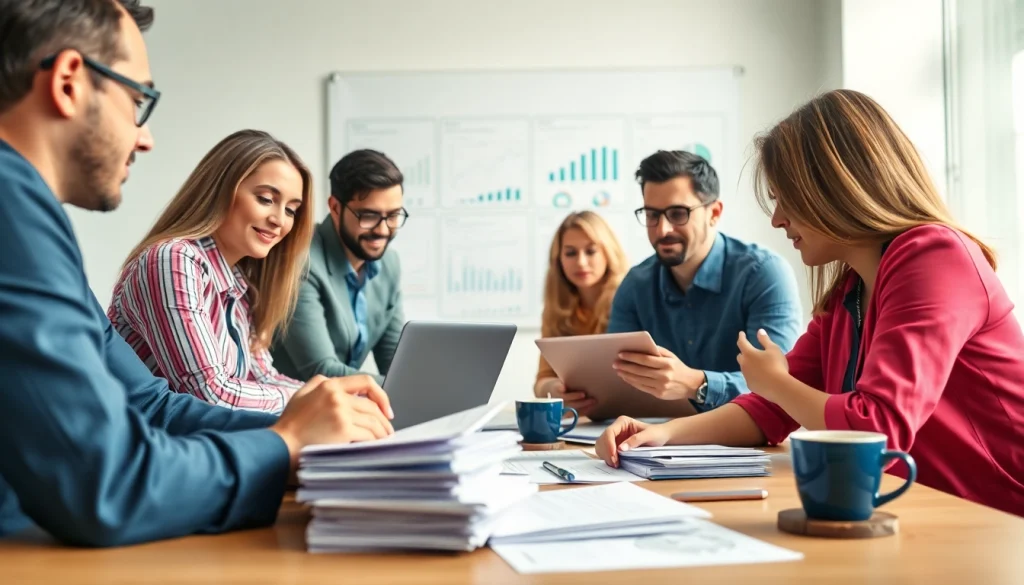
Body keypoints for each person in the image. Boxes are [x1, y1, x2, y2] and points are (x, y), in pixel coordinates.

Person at [0, 0, 394, 547]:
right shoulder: (11, 206)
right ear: (68, 82)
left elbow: (152, 403)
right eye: (137, 102)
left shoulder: (33, 220)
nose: (145, 137)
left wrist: (309, 427)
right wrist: (284, 444)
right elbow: (106, 483)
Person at [596, 90, 1024, 518]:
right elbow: (769, 411)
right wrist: (664, 435)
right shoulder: (847, 294)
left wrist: (776, 383)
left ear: (837, 188)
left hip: (998, 520)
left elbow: (876, 429)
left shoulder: (934, 256)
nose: (777, 219)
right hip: (925, 512)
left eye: (786, 198)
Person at [108, 129, 313, 413]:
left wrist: (333, 396)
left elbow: (262, 376)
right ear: (221, 190)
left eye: (291, 210)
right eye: (266, 199)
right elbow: (208, 394)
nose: (280, 220)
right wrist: (309, 402)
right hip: (142, 438)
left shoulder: (238, 285)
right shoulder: (173, 260)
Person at [606, 150, 802, 414]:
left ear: (714, 213)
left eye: (678, 214)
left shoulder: (764, 274)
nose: (663, 229)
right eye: (652, 215)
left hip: (748, 436)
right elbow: (616, 381)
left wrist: (696, 384)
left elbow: (777, 385)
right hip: (659, 433)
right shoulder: (635, 284)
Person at [271, 149, 406, 384]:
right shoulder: (301, 262)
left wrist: (418, 384)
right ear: (335, 208)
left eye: (393, 216)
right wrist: (410, 387)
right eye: (369, 216)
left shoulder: (389, 264)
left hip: (347, 402)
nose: (383, 230)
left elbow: (397, 362)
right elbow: (321, 370)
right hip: (292, 401)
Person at [534, 211, 629, 415]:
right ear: (558, 260)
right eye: (570, 253)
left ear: (608, 253)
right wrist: (554, 389)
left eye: (591, 251)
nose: (581, 262)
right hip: (581, 421)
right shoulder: (555, 309)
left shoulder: (630, 299)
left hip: (629, 416)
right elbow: (542, 381)